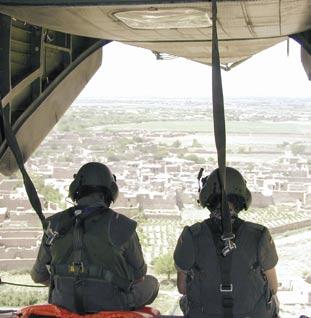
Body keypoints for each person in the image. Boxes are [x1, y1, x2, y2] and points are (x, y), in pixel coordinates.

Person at [31, 162, 159, 314]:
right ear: (111, 191)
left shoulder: (54, 224)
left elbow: (38, 276)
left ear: (75, 189)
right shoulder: (122, 225)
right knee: (152, 283)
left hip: (64, 306)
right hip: (111, 306)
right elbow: (139, 276)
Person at [174, 167, 279, 318]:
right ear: (242, 196)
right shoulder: (259, 234)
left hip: (205, 314)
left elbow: (182, 288)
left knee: (185, 300)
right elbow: (273, 288)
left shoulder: (191, 235)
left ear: (206, 196)